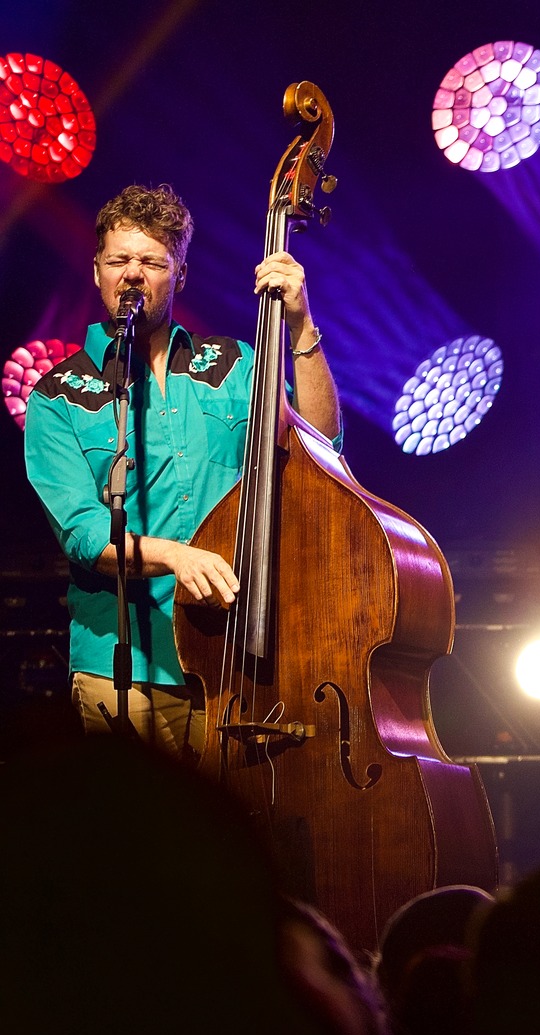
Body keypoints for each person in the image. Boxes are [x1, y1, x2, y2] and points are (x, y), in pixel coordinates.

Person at [23, 183, 340, 750]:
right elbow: (82, 533)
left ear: (181, 275)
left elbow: (323, 446)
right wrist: (174, 554)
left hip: (245, 651)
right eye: (119, 260)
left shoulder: (238, 362)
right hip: (127, 670)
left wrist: (300, 326)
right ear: (97, 270)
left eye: (152, 261)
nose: (133, 274)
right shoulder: (58, 395)